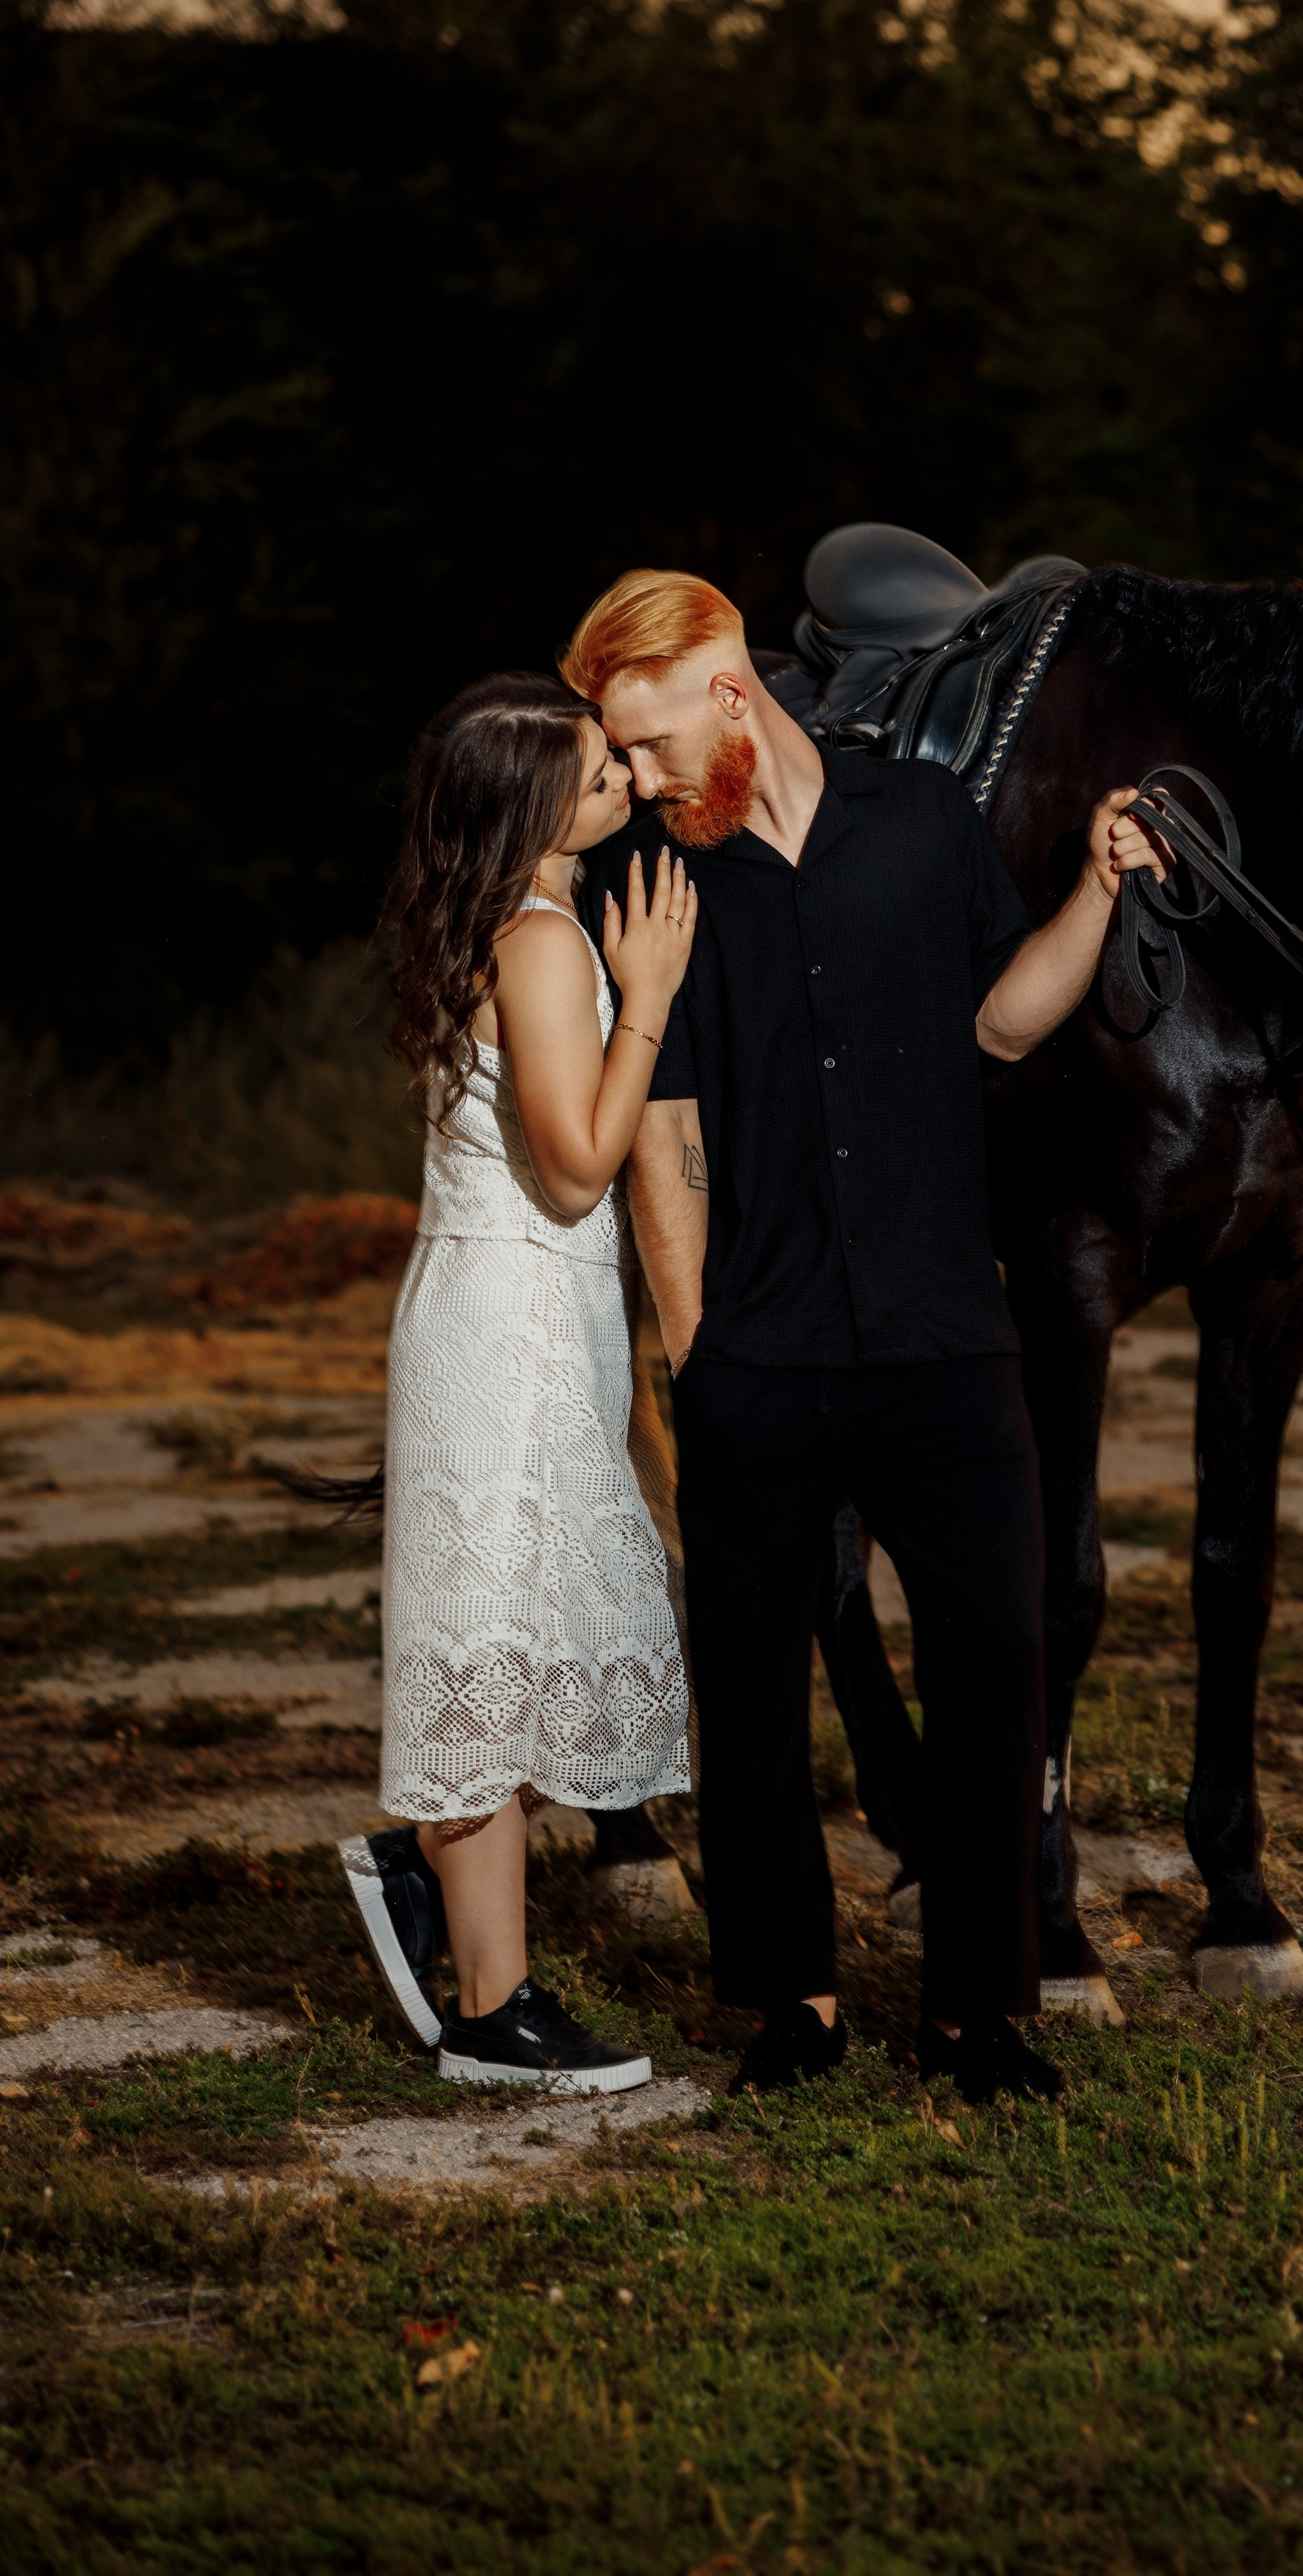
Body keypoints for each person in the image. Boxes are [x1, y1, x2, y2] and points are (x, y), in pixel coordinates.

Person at [564, 570, 1165, 2102]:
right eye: (617, 758)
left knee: (990, 1666)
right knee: (750, 1690)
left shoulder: (917, 821)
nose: (631, 779)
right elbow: (669, 1132)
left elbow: (1007, 1022)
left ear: (725, 688)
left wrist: (1095, 889)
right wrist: (697, 1345)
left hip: (945, 1343)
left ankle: (977, 2008)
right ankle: (795, 2000)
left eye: (643, 745)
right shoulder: (655, 874)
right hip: (758, 1357)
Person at [337, 673, 697, 2091]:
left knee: (538, 1639)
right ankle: (489, 2012)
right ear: (531, 803)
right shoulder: (544, 940)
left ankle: (425, 1860)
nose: (620, 774)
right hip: (511, 1328)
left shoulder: (506, 923)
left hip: (512, 1314)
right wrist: (650, 1001)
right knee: (505, 1640)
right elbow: (572, 1163)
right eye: (594, 764)